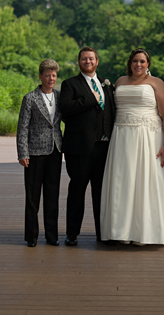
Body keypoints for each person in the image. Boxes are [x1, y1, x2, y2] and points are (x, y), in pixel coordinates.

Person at [100, 48, 164, 246]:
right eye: (135, 61)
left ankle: (146, 231)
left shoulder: (157, 83)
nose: (138, 65)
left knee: (146, 179)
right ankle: (122, 230)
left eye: (142, 62)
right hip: (122, 137)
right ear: (130, 63)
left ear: (148, 64)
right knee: (124, 180)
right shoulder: (120, 82)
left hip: (149, 137)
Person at [60, 47, 115, 246]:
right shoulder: (69, 84)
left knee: (101, 193)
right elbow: (65, 109)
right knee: (77, 191)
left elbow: (112, 112)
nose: (88, 61)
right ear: (79, 62)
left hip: (104, 147)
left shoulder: (107, 84)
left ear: (97, 61)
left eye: (91, 58)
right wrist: (90, 98)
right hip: (79, 149)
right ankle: (72, 234)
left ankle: (103, 234)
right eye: (84, 59)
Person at [17, 59, 63, 248]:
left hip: (55, 150)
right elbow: (22, 128)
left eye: (53, 75)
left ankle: (52, 236)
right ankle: (32, 236)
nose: (51, 78)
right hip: (34, 153)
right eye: (47, 75)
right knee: (32, 196)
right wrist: (23, 152)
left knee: (52, 196)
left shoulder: (60, 97)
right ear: (40, 76)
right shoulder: (30, 98)